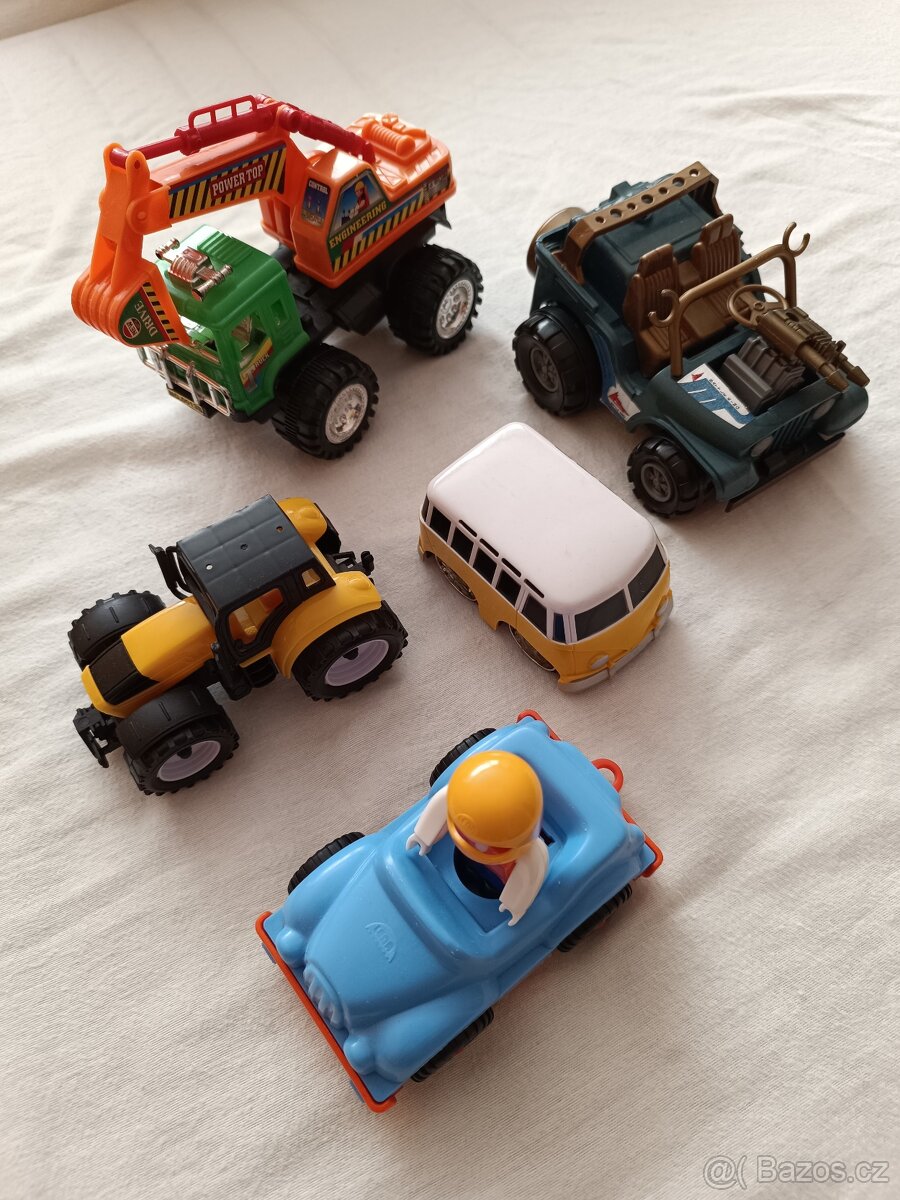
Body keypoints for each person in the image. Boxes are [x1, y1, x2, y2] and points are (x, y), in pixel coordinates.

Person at [406, 750, 549, 926]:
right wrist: (423, 836)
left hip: (504, 857)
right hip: (470, 836)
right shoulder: (461, 794)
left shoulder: (531, 849)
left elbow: (532, 867)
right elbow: (444, 801)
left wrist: (514, 904)